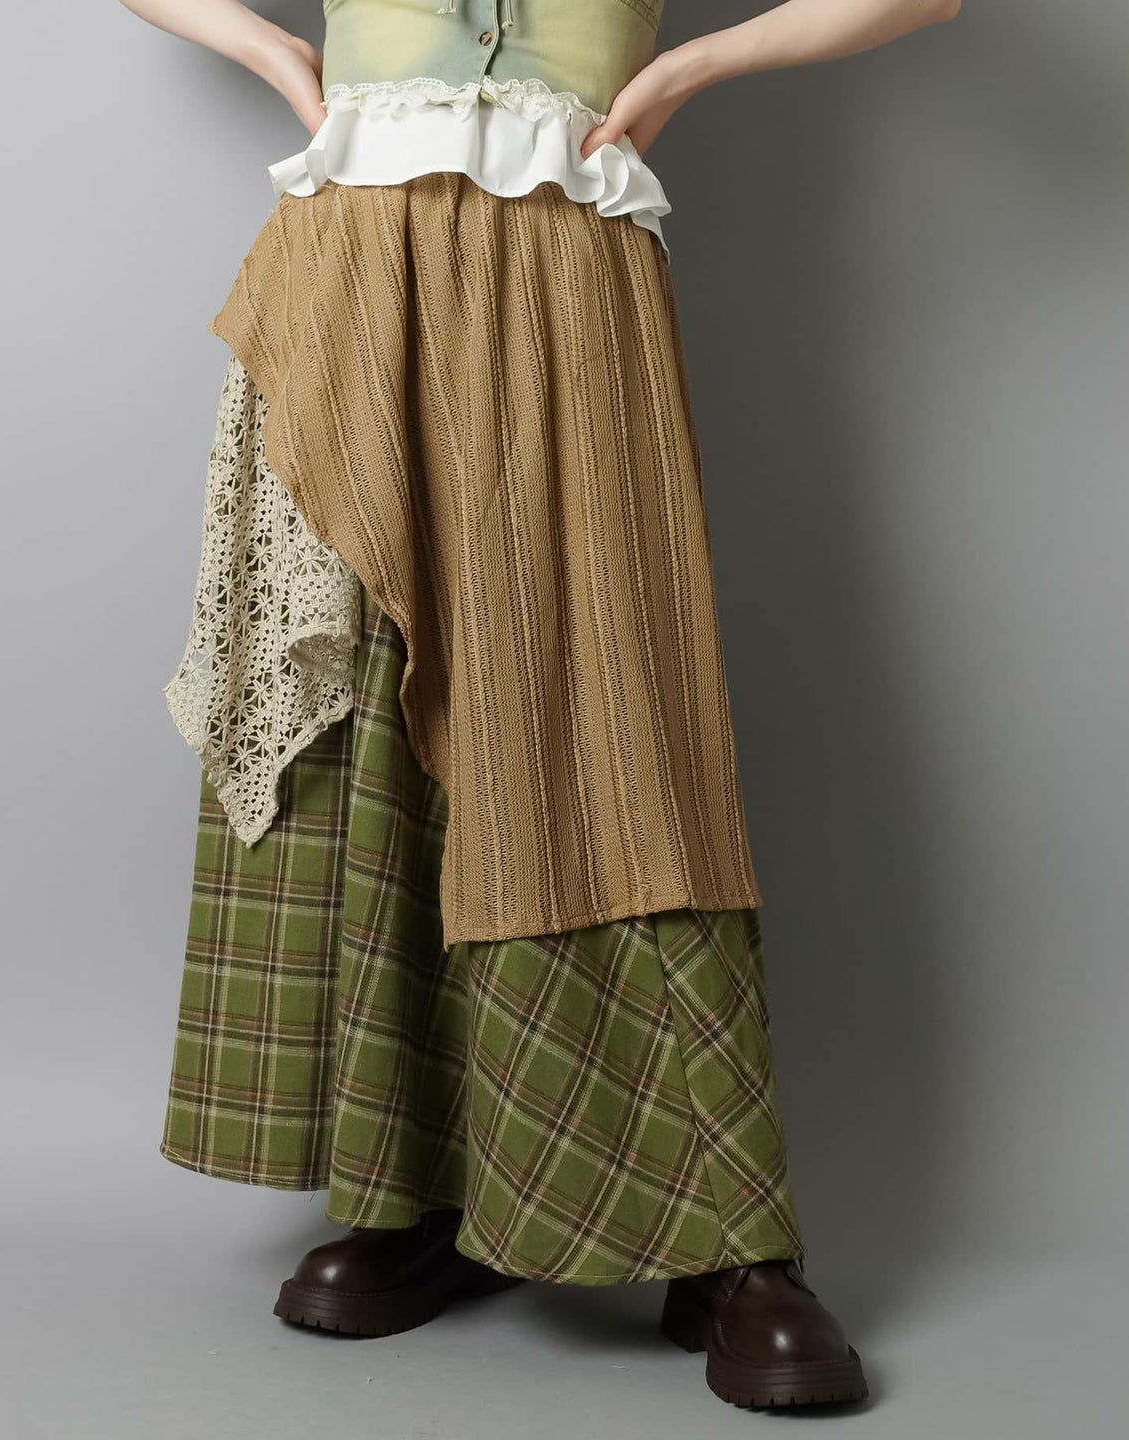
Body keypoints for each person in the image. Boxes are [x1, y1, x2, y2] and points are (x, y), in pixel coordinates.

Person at [120, 0, 960, 1412]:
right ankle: (408, 1186)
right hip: (350, 257)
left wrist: (695, 61)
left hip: (570, 256)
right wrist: (282, 57)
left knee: (614, 728)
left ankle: (727, 1237)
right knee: (375, 715)